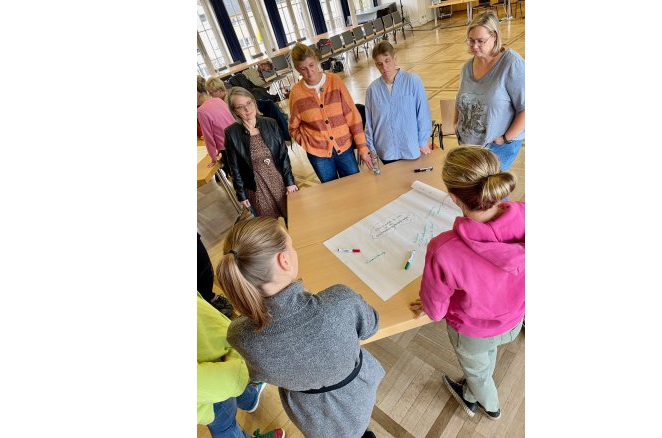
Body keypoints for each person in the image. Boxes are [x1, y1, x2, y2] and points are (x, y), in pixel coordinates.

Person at [217, 217, 384, 438]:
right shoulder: (340, 301)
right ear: (284, 260)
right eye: (291, 245)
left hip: (310, 415)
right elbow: (371, 326)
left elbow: (258, 372)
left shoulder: (239, 335)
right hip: (357, 393)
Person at [409, 146, 525, 421]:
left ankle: (491, 406)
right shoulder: (527, 213)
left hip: (473, 331)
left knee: (477, 371)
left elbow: (436, 311)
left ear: (452, 198)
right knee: (483, 362)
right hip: (514, 319)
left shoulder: (444, 249)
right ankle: (472, 392)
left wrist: (427, 303)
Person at [197, 293, 285, 438]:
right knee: (225, 425)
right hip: (211, 393)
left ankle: (251, 399)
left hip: (219, 362)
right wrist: (239, 371)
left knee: (237, 391)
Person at [287, 43, 374, 183]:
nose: (309, 72)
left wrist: (362, 147)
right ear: (297, 69)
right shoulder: (296, 93)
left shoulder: (335, 81)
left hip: (345, 147)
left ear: (316, 61)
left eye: (311, 65)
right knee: (331, 193)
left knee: (355, 186)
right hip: (318, 155)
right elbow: (293, 127)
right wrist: (308, 143)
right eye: (303, 69)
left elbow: (353, 116)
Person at [455, 12, 526, 172]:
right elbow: (461, 98)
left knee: (492, 193)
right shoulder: (468, 66)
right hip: (471, 146)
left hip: (498, 147)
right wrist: (456, 124)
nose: (474, 46)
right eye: (471, 40)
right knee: (473, 193)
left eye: (480, 41)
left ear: (494, 37)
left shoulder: (512, 64)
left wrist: (505, 139)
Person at [223, 87, 298, 221]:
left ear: (254, 102)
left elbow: (283, 156)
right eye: (240, 107)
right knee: (271, 225)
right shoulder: (232, 133)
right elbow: (235, 168)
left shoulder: (270, 123)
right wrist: (241, 193)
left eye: (249, 103)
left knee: (293, 218)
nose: (247, 109)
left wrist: (290, 182)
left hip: (279, 181)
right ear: (235, 111)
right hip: (257, 188)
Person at [364, 41, 433, 164]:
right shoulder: (372, 90)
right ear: (376, 65)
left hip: (411, 148)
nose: (384, 68)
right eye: (380, 64)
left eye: (387, 61)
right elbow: (369, 124)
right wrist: (371, 148)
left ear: (394, 58)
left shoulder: (413, 81)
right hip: (386, 151)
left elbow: (423, 114)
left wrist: (422, 141)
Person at [198, 76, 236, 167]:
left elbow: (208, 137)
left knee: (236, 176)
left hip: (227, 149)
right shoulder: (218, 100)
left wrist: (213, 157)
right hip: (237, 140)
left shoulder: (201, 111)